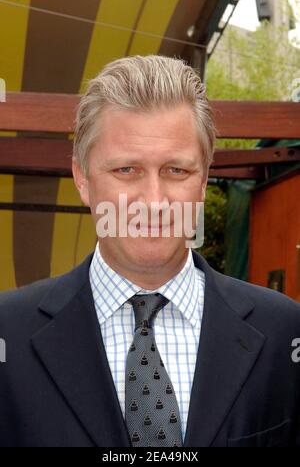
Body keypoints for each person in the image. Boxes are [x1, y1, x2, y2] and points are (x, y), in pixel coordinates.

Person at [0, 55, 300, 447]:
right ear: (82, 178)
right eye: (127, 170)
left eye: (176, 170)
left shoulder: (283, 331)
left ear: (204, 179)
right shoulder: (9, 333)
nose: (154, 201)